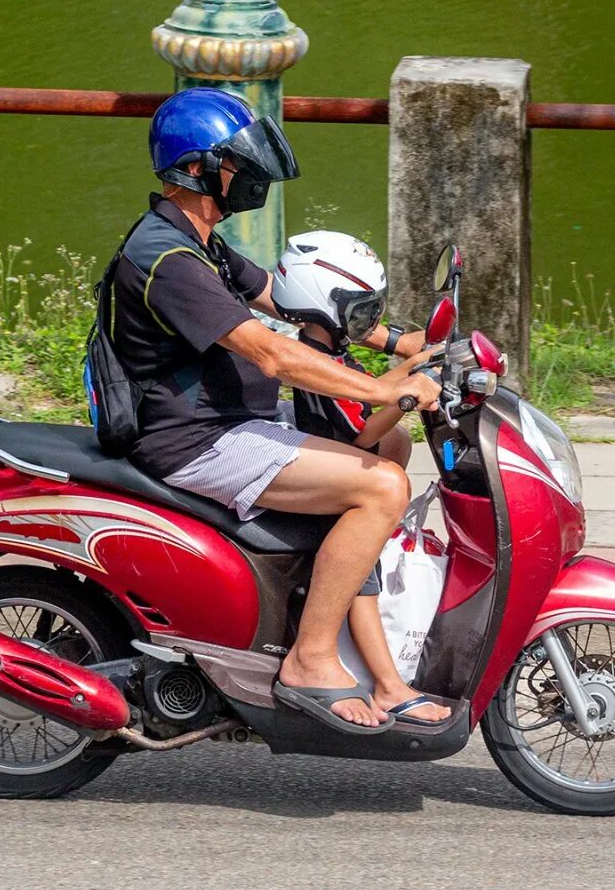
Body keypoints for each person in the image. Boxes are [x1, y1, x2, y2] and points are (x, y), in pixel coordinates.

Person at [111, 87, 440, 734]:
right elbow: (272, 355)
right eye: (240, 164)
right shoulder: (168, 259)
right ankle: (311, 658)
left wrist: (411, 345)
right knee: (381, 486)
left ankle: (363, 645)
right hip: (195, 441)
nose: (251, 177)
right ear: (199, 168)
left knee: (383, 455)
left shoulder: (199, 239)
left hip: (231, 424)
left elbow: (292, 300)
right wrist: (383, 390)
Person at [272, 230, 451, 726]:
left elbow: (370, 392)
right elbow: (362, 427)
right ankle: (391, 687)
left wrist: (415, 364)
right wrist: (407, 396)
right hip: (337, 491)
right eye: (359, 311)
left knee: (398, 449)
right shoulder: (318, 365)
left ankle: (389, 684)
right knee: (362, 587)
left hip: (337, 466)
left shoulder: (327, 353)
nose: (369, 322)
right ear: (322, 305)